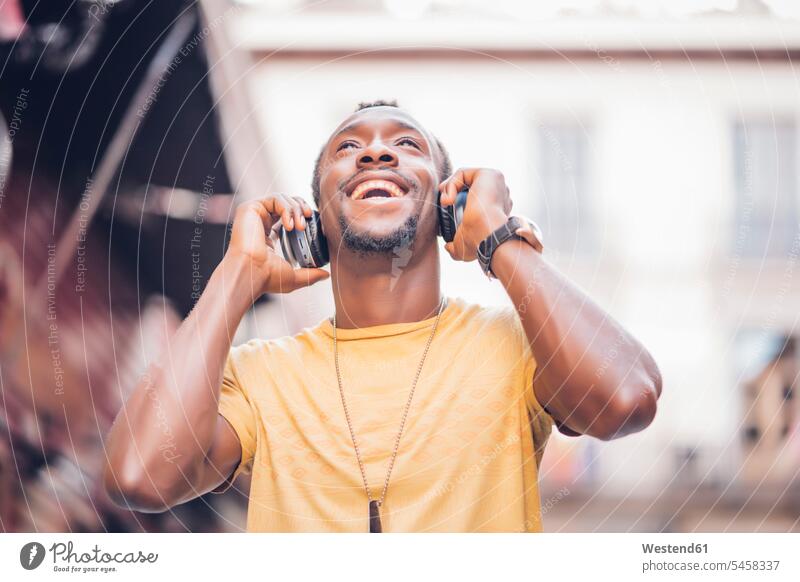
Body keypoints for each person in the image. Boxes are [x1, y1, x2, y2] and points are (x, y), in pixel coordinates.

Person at [103, 101, 662, 532]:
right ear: (313, 220)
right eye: (349, 148)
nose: (375, 153)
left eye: (405, 144)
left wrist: (498, 237)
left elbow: (626, 399)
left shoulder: (517, 347)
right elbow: (139, 475)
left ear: (449, 209)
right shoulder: (258, 377)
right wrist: (236, 273)